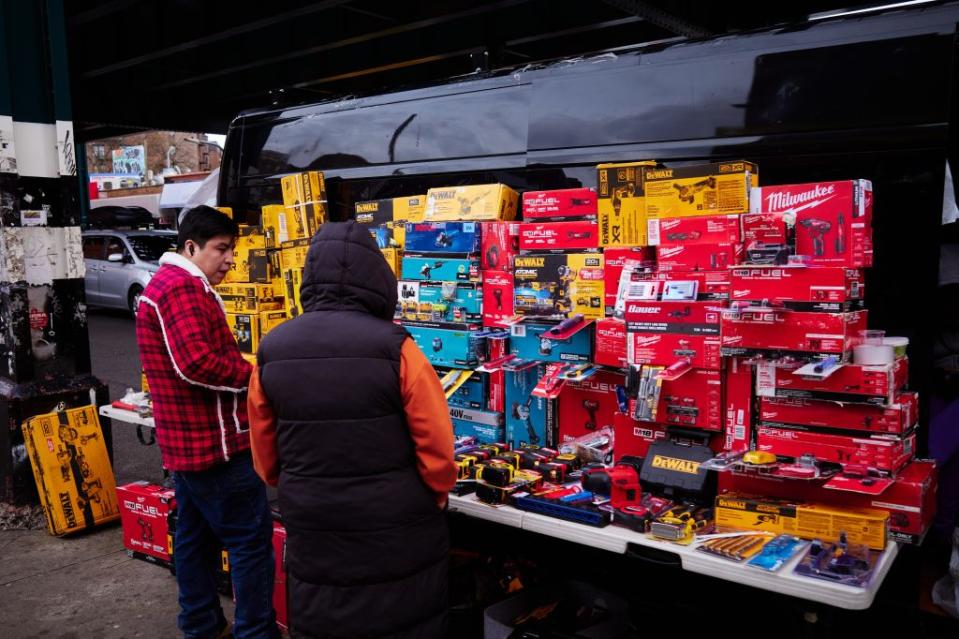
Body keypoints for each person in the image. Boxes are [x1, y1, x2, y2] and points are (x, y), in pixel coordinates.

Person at [248, 221, 457, 638]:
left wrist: (299, 486)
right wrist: (434, 494)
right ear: (377, 278)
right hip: (396, 527)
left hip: (314, 521)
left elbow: (265, 456)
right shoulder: (398, 348)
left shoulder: (272, 348)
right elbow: (437, 447)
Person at [136, 205, 277, 639]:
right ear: (191, 246)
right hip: (215, 448)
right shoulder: (181, 287)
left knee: (194, 541)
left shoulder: (169, 285)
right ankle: (255, 633)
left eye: (232, 249)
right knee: (250, 544)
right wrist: (256, 379)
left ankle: (200, 624)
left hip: (189, 447)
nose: (230, 259)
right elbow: (195, 363)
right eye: (221, 249)